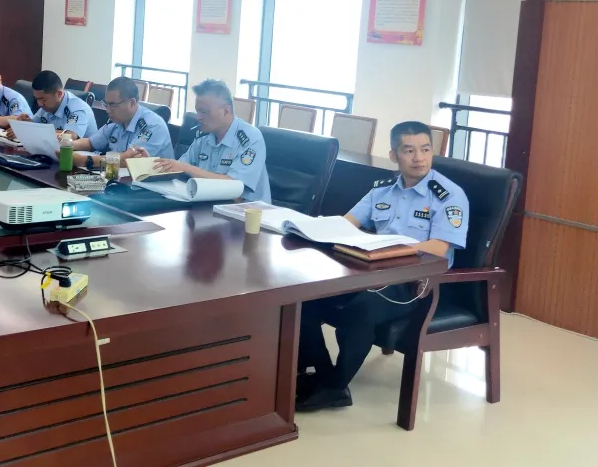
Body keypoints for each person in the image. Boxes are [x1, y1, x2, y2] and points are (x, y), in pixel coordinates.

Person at [295, 121, 470, 413]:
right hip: (371, 272)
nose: (419, 158)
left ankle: (335, 387)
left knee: (362, 308)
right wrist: (313, 229)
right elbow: (347, 223)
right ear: (393, 155)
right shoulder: (383, 190)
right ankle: (324, 374)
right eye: (409, 151)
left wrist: (388, 249)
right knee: (303, 298)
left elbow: (440, 248)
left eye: (425, 150)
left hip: (415, 284)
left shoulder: (448, 196)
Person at [148, 79, 270, 202]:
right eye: (197, 111)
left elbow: (235, 190)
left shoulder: (250, 138)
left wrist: (186, 168)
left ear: (226, 111)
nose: (199, 117)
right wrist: (150, 163)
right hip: (207, 204)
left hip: (245, 210)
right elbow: (179, 169)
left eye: (204, 112)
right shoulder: (204, 136)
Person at [69, 77, 173, 167]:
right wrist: (66, 145)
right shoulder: (117, 121)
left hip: (153, 182)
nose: (108, 110)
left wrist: (85, 160)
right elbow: (91, 142)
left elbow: (128, 160)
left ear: (132, 103)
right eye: (106, 104)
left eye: (113, 105)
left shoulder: (152, 126)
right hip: (122, 178)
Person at [3, 70, 97, 138]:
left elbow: (70, 136)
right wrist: (23, 124)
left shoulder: (78, 108)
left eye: (43, 99)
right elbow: (33, 126)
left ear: (59, 94)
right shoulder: (47, 107)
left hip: (82, 157)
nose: (40, 104)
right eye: (37, 99)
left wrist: (29, 131)